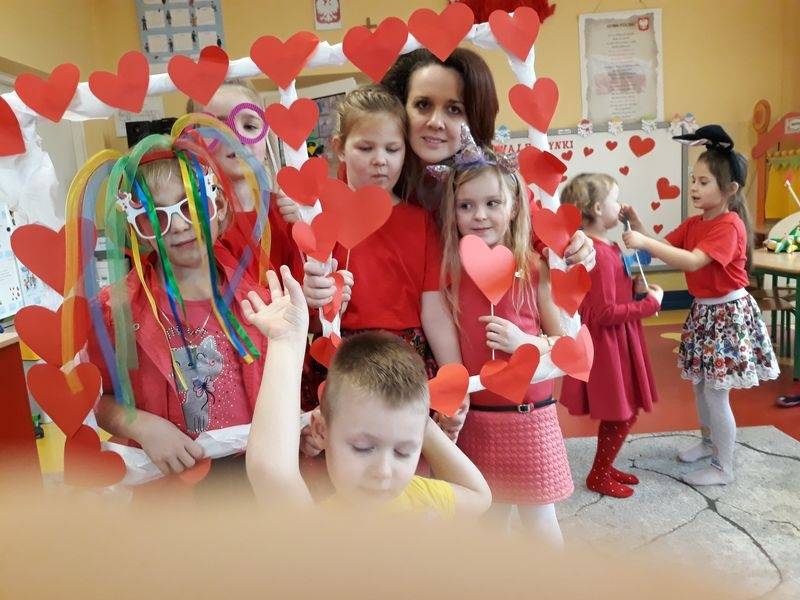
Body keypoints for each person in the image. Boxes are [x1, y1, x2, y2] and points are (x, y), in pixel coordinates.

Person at [86, 129, 270, 477]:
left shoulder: (260, 303)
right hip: (171, 482)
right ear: (136, 228)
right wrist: (141, 426)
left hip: (254, 475)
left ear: (218, 207)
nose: (180, 225)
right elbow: (99, 399)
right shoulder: (115, 312)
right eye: (155, 216)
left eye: (191, 205)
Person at [243, 266, 492, 517]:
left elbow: (479, 496)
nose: (383, 472)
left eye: (403, 451)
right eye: (363, 447)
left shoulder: (422, 500)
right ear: (321, 430)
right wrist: (286, 342)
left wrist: (416, 416)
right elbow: (271, 473)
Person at [301, 85, 468, 439]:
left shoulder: (421, 223)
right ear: (339, 148)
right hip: (341, 362)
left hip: (406, 364)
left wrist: (455, 377)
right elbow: (306, 311)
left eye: (393, 149)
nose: (381, 160)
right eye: (366, 148)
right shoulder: (318, 217)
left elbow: (435, 311)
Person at [622, 125, 779, 485]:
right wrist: (638, 226)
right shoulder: (696, 223)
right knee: (700, 386)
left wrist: (643, 241)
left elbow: (692, 262)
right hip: (705, 312)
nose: (694, 187)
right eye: (694, 180)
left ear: (730, 189)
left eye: (704, 182)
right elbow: (663, 248)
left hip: (727, 314)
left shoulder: (730, 225)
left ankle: (724, 467)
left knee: (716, 392)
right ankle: (709, 444)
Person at [437, 127, 572, 545]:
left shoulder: (535, 269)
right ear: (453, 213)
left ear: (514, 207)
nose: (479, 215)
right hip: (479, 418)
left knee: (540, 522)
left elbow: (564, 345)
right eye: (466, 206)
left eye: (492, 203)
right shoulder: (451, 275)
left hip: (530, 416)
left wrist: (524, 343)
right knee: (488, 520)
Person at [381, 48, 596, 268]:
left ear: (475, 118)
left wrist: (573, 248)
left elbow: (539, 234)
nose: (435, 122)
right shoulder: (375, 173)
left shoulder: (494, 177)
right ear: (400, 107)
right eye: (423, 105)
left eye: (454, 109)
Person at [559, 173, 662, 498]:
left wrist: (636, 289)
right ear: (597, 207)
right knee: (622, 412)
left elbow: (612, 294)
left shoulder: (608, 248)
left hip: (619, 339)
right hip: (608, 345)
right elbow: (602, 313)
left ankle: (604, 465)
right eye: (615, 200)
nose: (621, 206)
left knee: (624, 411)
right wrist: (648, 305)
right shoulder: (599, 255)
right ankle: (599, 473)